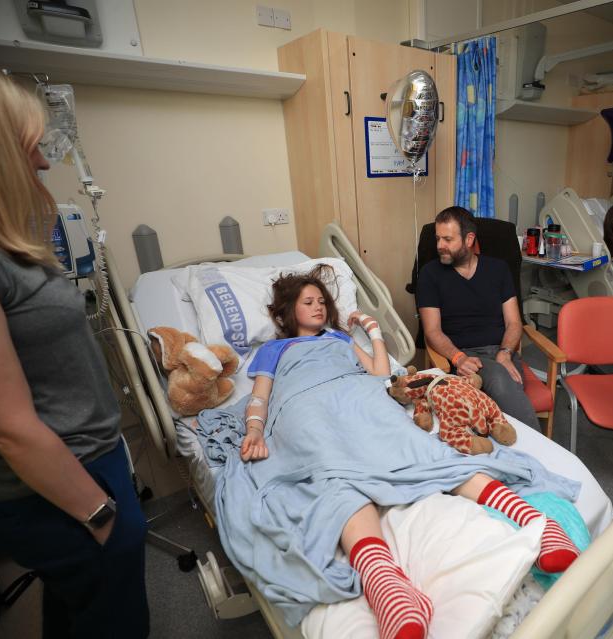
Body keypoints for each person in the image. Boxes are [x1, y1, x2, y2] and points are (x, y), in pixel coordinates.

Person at [233, 267, 581, 639]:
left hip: (359, 396)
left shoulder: (337, 339)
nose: (318, 307)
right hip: (305, 407)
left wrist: (371, 331)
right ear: (288, 311)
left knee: (420, 447)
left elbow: (381, 374)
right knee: (332, 472)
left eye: (322, 301)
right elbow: (260, 396)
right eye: (308, 302)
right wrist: (255, 429)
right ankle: (387, 586)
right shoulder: (274, 349)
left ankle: (538, 524)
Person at [0, 60, 148, 637]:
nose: (44, 160)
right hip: (59, 487)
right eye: (29, 147)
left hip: (85, 464)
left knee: (80, 610)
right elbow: (6, 428)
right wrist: (99, 515)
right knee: (114, 623)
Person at [416, 207, 540, 430]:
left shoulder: (498, 269)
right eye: (437, 238)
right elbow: (432, 331)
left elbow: (514, 322)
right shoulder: (429, 274)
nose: (439, 246)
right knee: (501, 381)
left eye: (447, 239)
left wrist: (505, 353)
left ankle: (514, 450)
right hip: (464, 358)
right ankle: (541, 454)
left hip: (502, 351)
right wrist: (458, 358)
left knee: (503, 380)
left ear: (469, 239)